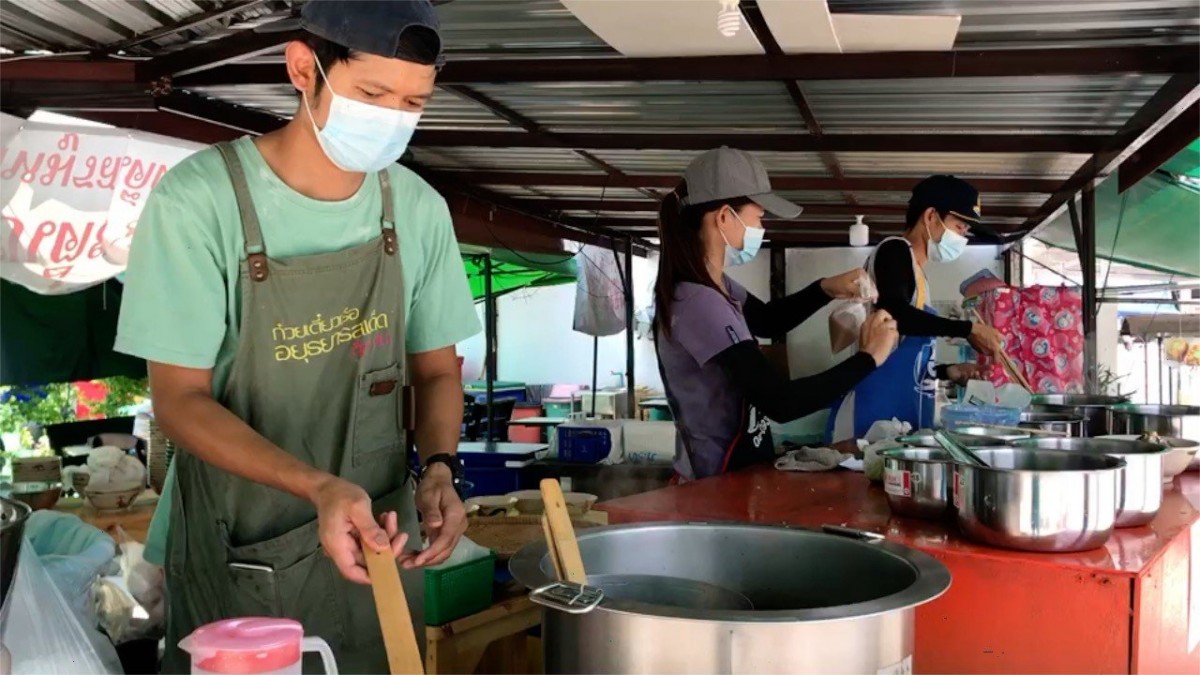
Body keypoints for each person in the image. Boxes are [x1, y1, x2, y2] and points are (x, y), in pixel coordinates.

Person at [114, 1, 480, 670]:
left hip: (377, 539)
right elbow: (178, 400)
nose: (393, 117)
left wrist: (439, 467)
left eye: (413, 101)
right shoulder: (199, 202)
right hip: (237, 545)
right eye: (373, 93)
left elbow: (436, 371)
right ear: (303, 66)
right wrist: (316, 486)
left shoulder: (418, 210)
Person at [653, 147, 899, 482]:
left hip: (734, 477)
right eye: (758, 215)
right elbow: (780, 402)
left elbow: (768, 320)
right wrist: (870, 357)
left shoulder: (717, 287)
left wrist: (825, 288)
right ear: (724, 217)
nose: (762, 225)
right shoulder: (698, 302)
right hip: (713, 484)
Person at [828, 175, 1005, 442]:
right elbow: (897, 314)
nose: (963, 237)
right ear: (931, 216)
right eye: (959, 227)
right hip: (871, 416)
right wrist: (968, 329)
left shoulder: (918, 275)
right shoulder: (895, 250)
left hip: (899, 415)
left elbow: (904, 354)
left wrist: (947, 371)